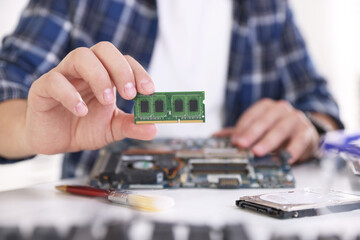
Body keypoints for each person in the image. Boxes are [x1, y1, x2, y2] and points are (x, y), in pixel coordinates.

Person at [0, 0, 342, 178]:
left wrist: (309, 126)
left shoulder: (268, 7)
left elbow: (319, 102)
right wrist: (28, 128)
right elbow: (7, 82)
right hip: (105, 216)